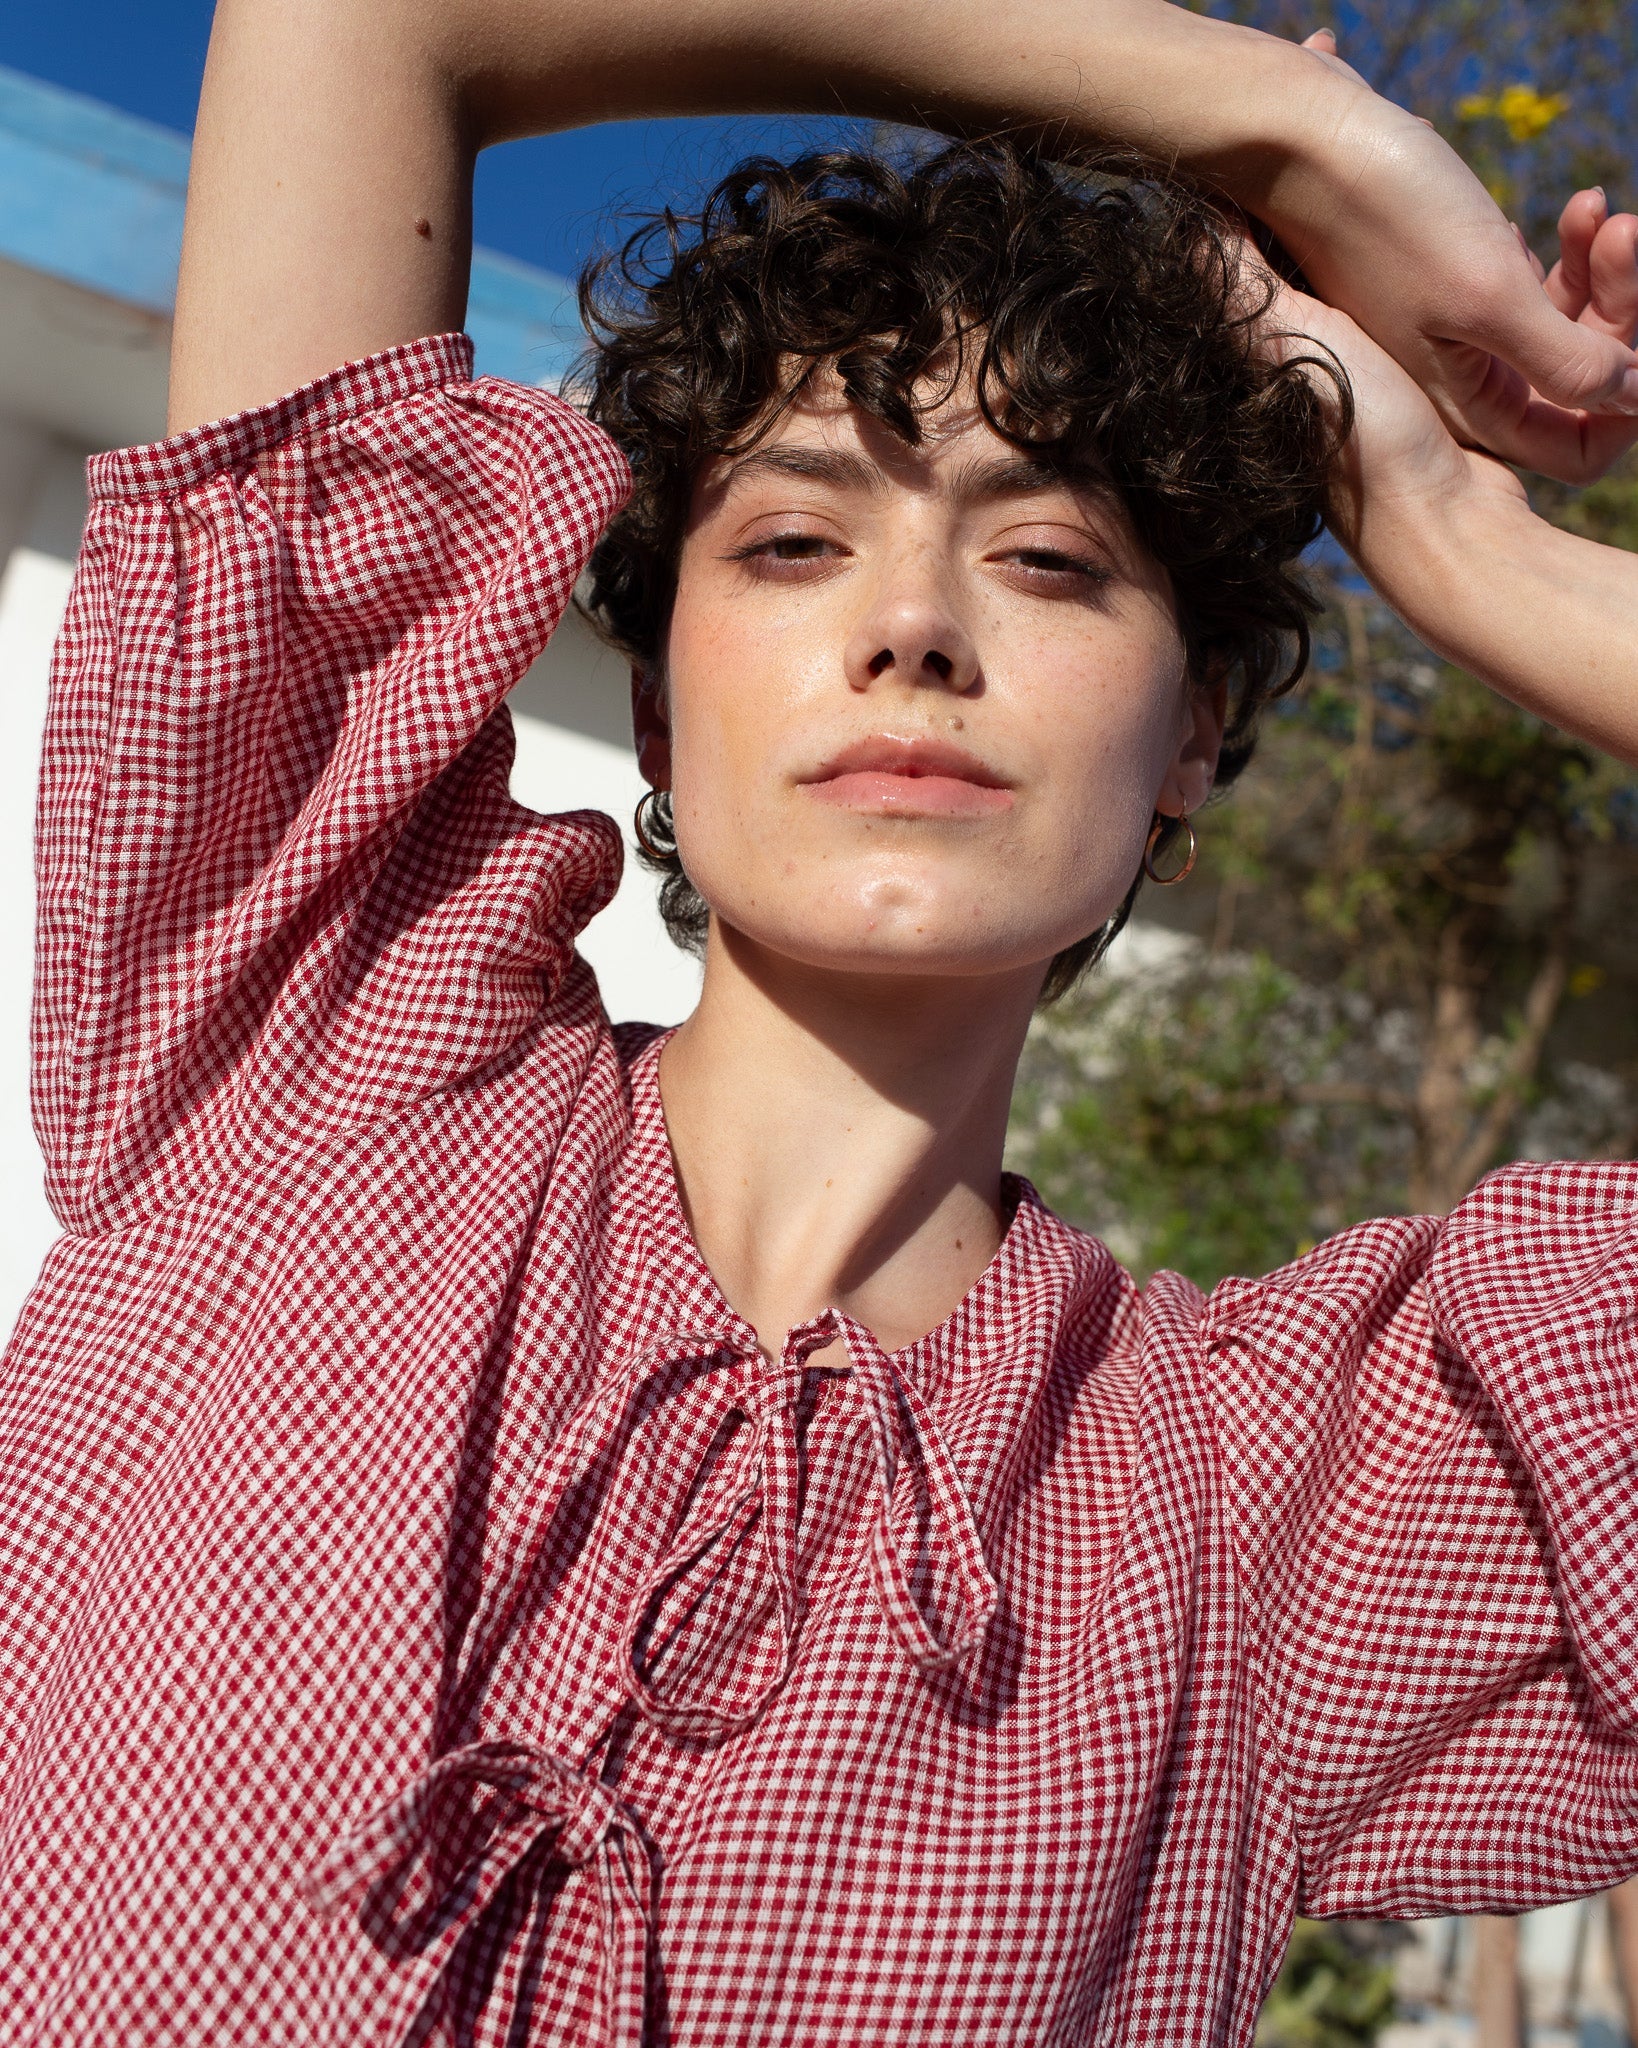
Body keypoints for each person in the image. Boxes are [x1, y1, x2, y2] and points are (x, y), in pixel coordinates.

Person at [2, 0, 1637, 2041]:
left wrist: (1464, 538)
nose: (913, 623)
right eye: (791, 540)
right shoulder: (307, 1048)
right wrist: (1279, 121)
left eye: (1049, 558)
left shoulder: (1287, 1518)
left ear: (1193, 734)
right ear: (669, 711)